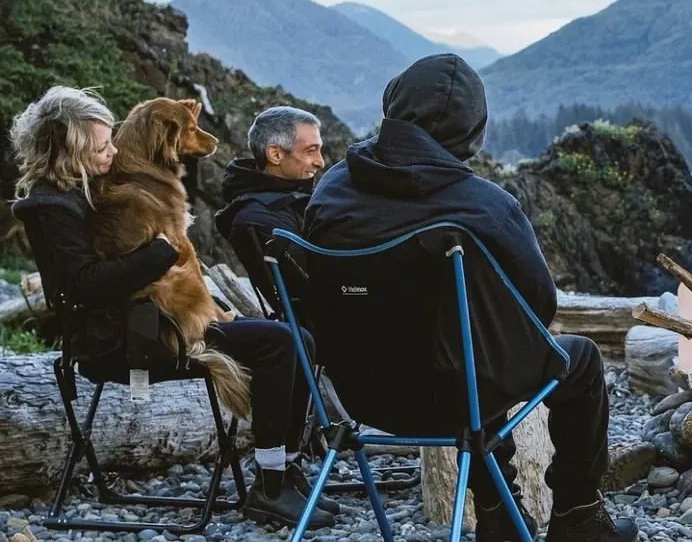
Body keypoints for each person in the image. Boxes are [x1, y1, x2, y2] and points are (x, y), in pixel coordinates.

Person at [305, 55, 638, 542]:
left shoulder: (332, 190)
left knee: (469, 351)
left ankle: (501, 515)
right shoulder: (484, 205)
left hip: (360, 393)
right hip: (454, 395)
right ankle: (578, 516)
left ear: (394, 104)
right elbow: (538, 309)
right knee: (573, 359)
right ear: (472, 130)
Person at [8, 86, 335, 530]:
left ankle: (286, 474)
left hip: (147, 322)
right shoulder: (52, 211)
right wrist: (163, 251)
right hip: (128, 340)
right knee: (280, 343)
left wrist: (181, 132)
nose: (114, 149)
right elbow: (84, 286)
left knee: (301, 341)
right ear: (72, 150)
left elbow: (156, 159)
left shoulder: (84, 187)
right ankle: (271, 487)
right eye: (104, 145)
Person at [214, 106, 325, 318]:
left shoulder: (287, 201)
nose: (321, 162)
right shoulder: (261, 217)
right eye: (311, 151)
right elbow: (315, 291)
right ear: (275, 154)